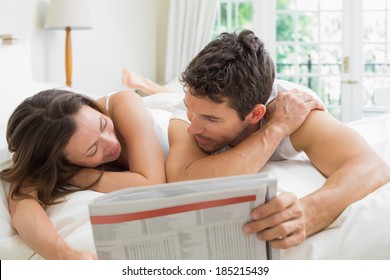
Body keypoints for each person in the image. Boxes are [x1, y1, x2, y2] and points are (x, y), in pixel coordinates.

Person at [165, 30, 390, 249]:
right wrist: (276, 128)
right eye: (190, 109)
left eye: (211, 119)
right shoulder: (190, 109)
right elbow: (184, 180)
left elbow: (372, 166)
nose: (192, 128)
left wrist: (311, 212)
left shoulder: (297, 110)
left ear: (255, 114)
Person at [0, 89, 167, 259]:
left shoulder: (124, 104)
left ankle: (145, 86)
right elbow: (23, 210)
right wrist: (65, 255)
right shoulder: (50, 152)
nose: (111, 143)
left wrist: (76, 175)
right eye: (92, 149)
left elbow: (151, 185)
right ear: (62, 161)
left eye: (103, 124)